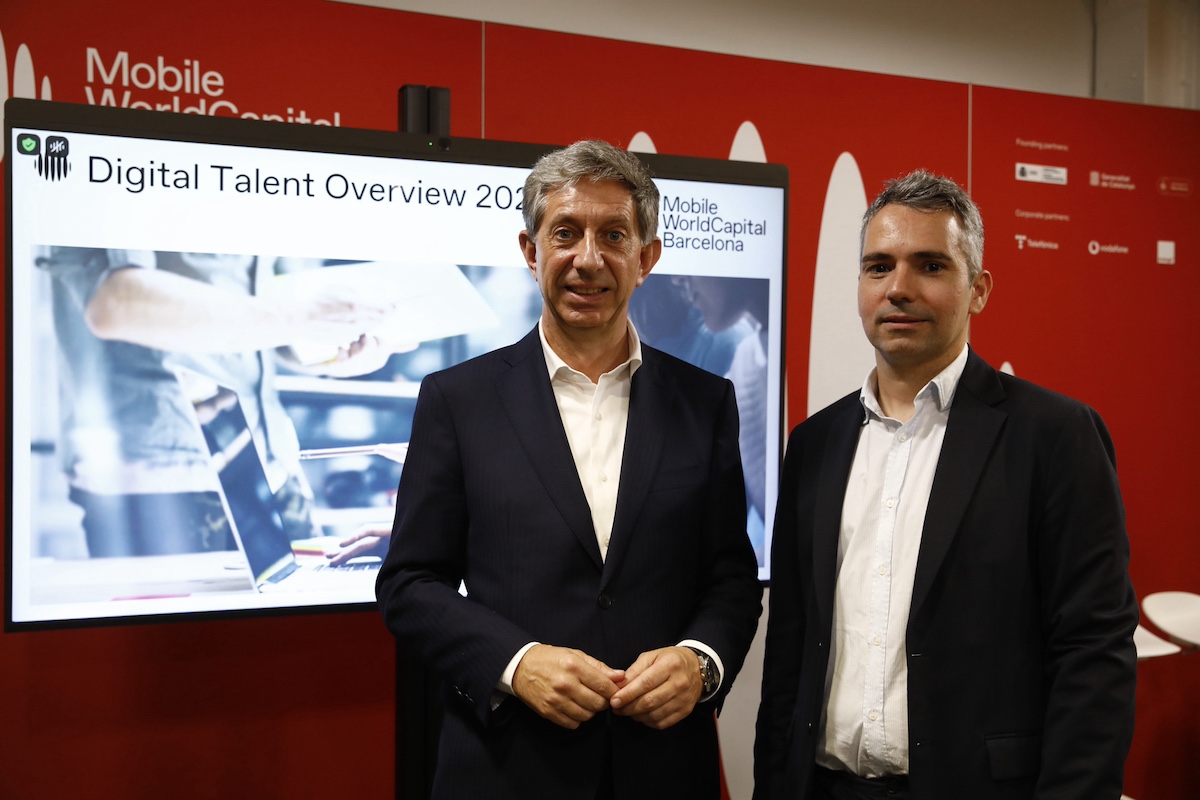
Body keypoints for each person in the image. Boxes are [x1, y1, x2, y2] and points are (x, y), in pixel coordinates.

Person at [376, 140, 763, 800]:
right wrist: (515, 662)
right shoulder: (458, 400)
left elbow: (730, 576)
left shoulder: (705, 402)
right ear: (531, 252)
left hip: (664, 769)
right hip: (506, 768)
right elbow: (410, 584)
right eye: (565, 233)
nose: (588, 258)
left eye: (613, 235)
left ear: (646, 258)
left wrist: (701, 663)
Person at [753, 170, 1137, 800]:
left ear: (978, 289)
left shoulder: (1055, 436)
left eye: (930, 266)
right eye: (879, 267)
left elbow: (1094, 651)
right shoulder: (815, 444)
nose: (899, 288)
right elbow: (789, 652)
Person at [35, 248, 392, 557]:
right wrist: (303, 318)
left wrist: (330, 350)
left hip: (272, 460)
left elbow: (269, 314)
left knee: (309, 609)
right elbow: (116, 304)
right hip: (165, 473)